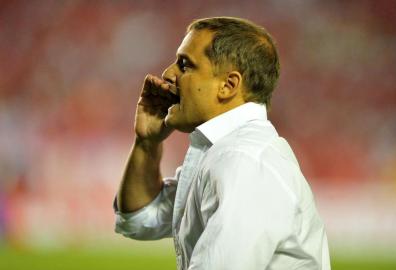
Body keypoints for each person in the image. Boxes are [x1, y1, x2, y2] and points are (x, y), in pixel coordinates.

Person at [114, 17, 331, 270]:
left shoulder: (244, 162)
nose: (168, 73)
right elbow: (139, 219)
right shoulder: (222, 151)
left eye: (185, 65)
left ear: (228, 85)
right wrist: (147, 143)